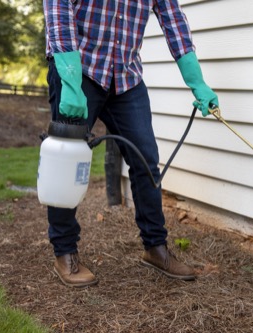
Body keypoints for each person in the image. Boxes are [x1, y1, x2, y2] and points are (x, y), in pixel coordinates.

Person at [43, 0, 219, 287]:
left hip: (126, 77)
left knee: (145, 159)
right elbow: (58, 10)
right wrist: (71, 82)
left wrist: (196, 80)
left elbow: (172, 18)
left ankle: (155, 247)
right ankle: (65, 252)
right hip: (79, 69)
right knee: (67, 159)